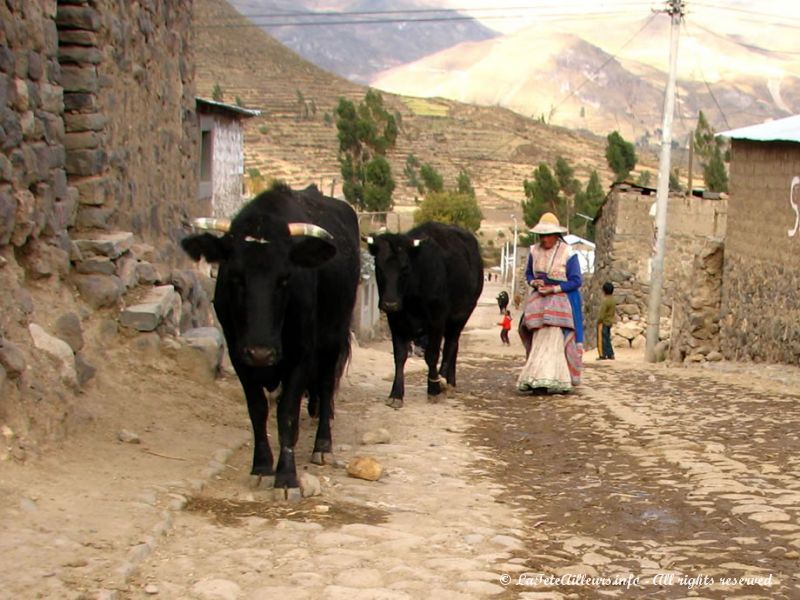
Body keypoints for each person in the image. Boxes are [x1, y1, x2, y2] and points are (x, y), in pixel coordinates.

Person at [517, 212, 584, 393]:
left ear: (556, 235)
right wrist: (534, 282)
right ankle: (537, 377)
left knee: (555, 337)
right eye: (542, 235)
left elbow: (576, 280)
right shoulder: (534, 251)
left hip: (561, 300)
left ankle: (556, 378)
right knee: (538, 336)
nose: (544, 239)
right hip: (539, 300)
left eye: (548, 235)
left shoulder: (568, 253)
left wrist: (554, 289)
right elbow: (529, 274)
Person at [597, 281, 616, 360]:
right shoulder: (613, 300)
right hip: (610, 322)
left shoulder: (605, 301)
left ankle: (602, 354)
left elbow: (601, 313)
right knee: (607, 338)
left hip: (603, 322)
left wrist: (599, 321)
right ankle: (610, 354)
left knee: (602, 339)